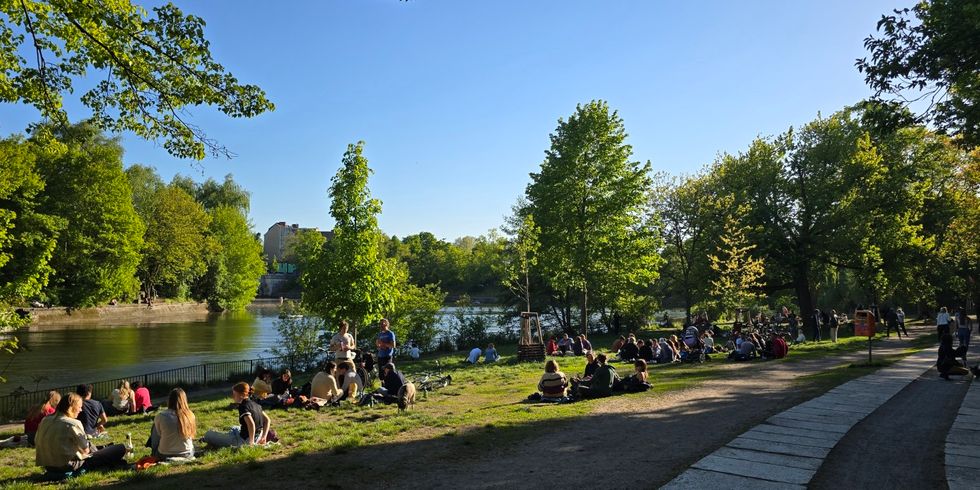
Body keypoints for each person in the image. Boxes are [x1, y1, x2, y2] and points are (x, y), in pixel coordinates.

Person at [35, 393, 127, 475]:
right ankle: (105, 450)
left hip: (48, 465)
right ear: (72, 407)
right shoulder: (73, 423)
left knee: (92, 447)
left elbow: (37, 441)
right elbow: (86, 450)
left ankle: (103, 449)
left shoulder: (45, 420)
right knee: (120, 448)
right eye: (79, 407)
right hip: (68, 465)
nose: (81, 410)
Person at [203, 382, 272, 447]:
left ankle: (209, 437)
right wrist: (264, 437)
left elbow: (251, 424)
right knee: (235, 428)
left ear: (242, 395)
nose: (233, 397)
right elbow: (267, 420)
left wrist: (251, 443)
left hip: (244, 440)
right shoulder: (256, 404)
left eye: (234, 394)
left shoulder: (243, 406)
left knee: (208, 435)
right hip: (258, 437)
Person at [151, 388, 196, 459]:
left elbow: (158, 436)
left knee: (155, 427)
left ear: (169, 400)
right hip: (187, 453)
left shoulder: (160, 416)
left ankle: (154, 454)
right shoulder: (190, 415)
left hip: (164, 454)